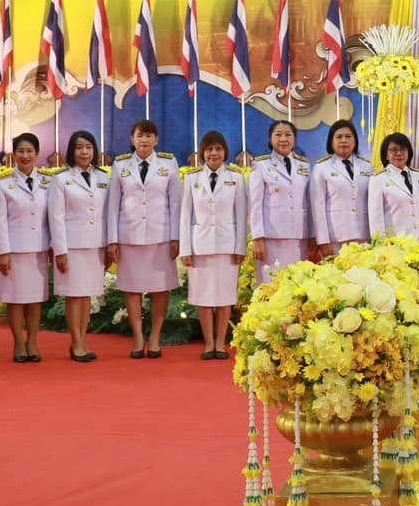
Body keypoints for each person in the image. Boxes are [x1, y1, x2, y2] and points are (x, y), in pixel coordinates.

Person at [106, 120, 181, 359]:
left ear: (156, 140)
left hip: (161, 237)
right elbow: (113, 205)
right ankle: (138, 337)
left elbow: (175, 203)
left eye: (149, 136)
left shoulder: (168, 163)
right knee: (132, 288)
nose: (144, 140)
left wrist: (176, 238)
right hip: (129, 237)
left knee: (161, 288)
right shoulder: (120, 165)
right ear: (132, 139)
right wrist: (112, 239)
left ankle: (155, 337)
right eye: (140, 135)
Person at [180, 131, 248, 360]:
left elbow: (241, 215)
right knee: (203, 297)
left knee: (225, 297)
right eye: (209, 149)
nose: (214, 153)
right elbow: (185, 216)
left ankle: (221, 343)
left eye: (218, 149)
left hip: (227, 246)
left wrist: (240, 248)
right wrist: (185, 249)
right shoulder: (192, 178)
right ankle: (208, 343)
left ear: (225, 152)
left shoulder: (236, 178)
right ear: (203, 152)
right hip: (200, 246)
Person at [48, 130, 110, 362]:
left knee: (86, 296)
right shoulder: (61, 179)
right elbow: (56, 217)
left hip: (95, 245)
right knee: (74, 296)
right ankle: (76, 343)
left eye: (88, 147)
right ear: (71, 151)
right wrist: (60, 250)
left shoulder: (103, 177)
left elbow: (108, 214)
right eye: (79, 147)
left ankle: (82, 340)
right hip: (72, 246)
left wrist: (109, 245)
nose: (84, 152)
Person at [0, 132, 51, 362]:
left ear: (37, 153)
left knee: (35, 299)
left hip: (38, 250)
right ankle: (18, 343)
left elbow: (53, 218)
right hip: (14, 251)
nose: (25, 155)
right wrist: (3, 252)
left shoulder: (48, 182)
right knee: (15, 300)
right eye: (20, 151)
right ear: (13, 154)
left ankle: (32, 341)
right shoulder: (3, 184)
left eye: (29, 151)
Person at [246, 119, 312, 285]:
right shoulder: (261, 165)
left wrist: (312, 236)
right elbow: (255, 204)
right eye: (278, 135)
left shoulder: (304, 165)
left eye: (288, 135)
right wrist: (258, 238)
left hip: (300, 237)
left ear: (294, 139)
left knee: (298, 287)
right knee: (271, 287)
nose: (283, 139)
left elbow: (309, 202)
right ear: (270, 139)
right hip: (271, 239)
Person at [308, 120, 371, 255]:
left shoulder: (367, 166)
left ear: (355, 140)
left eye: (348, 136)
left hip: (365, 236)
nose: (344, 140)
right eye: (339, 137)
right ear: (331, 141)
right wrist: (323, 240)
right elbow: (317, 207)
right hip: (335, 238)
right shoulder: (321, 167)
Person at [369, 132, 419, 240]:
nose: (399, 153)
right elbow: (376, 219)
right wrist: (381, 245)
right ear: (386, 155)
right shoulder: (378, 179)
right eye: (394, 150)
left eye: (403, 149)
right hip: (394, 244)